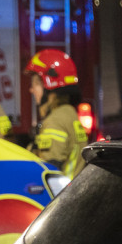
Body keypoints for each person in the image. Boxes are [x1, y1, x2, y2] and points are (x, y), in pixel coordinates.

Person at [25, 49, 87, 179]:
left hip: (63, 196)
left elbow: (47, 172)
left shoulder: (55, 121)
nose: (31, 90)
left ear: (49, 84)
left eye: (35, 84)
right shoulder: (69, 113)